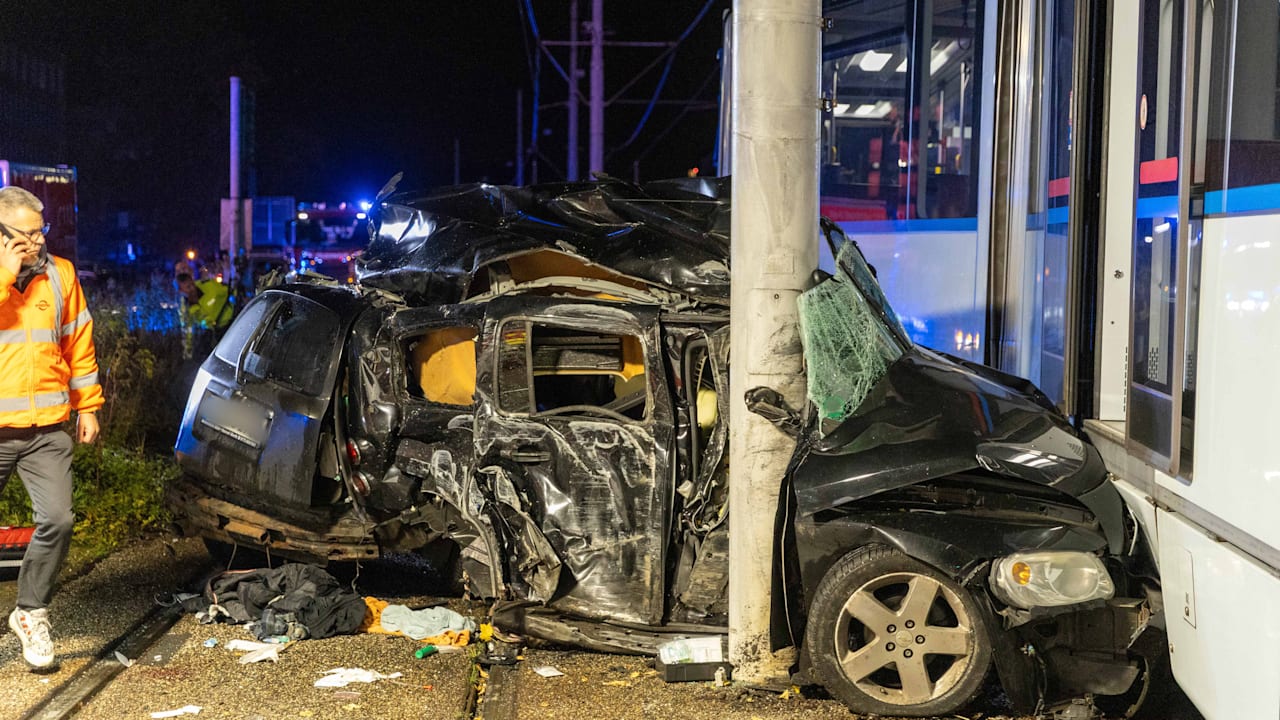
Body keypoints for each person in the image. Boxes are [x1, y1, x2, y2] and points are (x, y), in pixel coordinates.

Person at [0, 186, 103, 670]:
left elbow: (78, 344)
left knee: (58, 521)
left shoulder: (61, 275)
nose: (37, 241)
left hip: (48, 430)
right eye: (26, 234)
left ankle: (30, 612)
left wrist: (89, 407)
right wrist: (6, 273)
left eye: (41, 231)